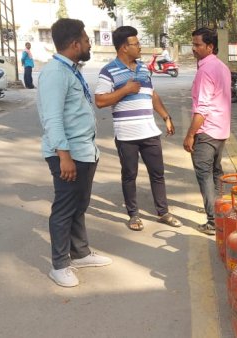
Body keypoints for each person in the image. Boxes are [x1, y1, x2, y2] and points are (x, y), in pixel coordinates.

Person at [37, 18, 112, 288]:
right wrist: (64, 156)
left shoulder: (70, 70)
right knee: (64, 209)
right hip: (67, 154)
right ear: (74, 43)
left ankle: (79, 253)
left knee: (79, 205)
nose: (89, 43)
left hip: (83, 150)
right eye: (86, 38)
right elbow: (53, 118)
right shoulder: (56, 73)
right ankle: (59, 265)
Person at [94, 26, 183, 231]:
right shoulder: (108, 71)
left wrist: (165, 116)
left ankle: (163, 212)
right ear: (124, 48)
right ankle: (133, 215)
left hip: (149, 131)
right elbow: (99, 101)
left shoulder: (143, 68)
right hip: (126, 135)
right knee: (129, 175)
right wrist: (125, 89)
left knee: (158, 173)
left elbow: (151, 95)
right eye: (136, 44)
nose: (140, 47)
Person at [184, 28, 231, 235]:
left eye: (198, 45)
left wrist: (190, 134)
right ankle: (222, 214)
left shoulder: (205, 70)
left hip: (207, 131)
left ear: (210, 47)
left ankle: (213, 221)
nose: (194, 49)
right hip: (221, 130)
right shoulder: (221, 66)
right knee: (216, 173)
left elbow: (202, 108)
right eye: (193, 44)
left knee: (205, 175)